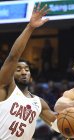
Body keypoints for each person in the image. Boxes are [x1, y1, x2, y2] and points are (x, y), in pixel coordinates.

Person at [0, 3, 59, 140]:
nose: (23, 72)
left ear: (31, 76)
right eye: (18, 69)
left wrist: (73, 111)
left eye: (27, 69)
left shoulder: (38, 102)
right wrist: (30, 27)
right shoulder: (5, 88)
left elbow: (59, 125)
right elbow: (13, 56)